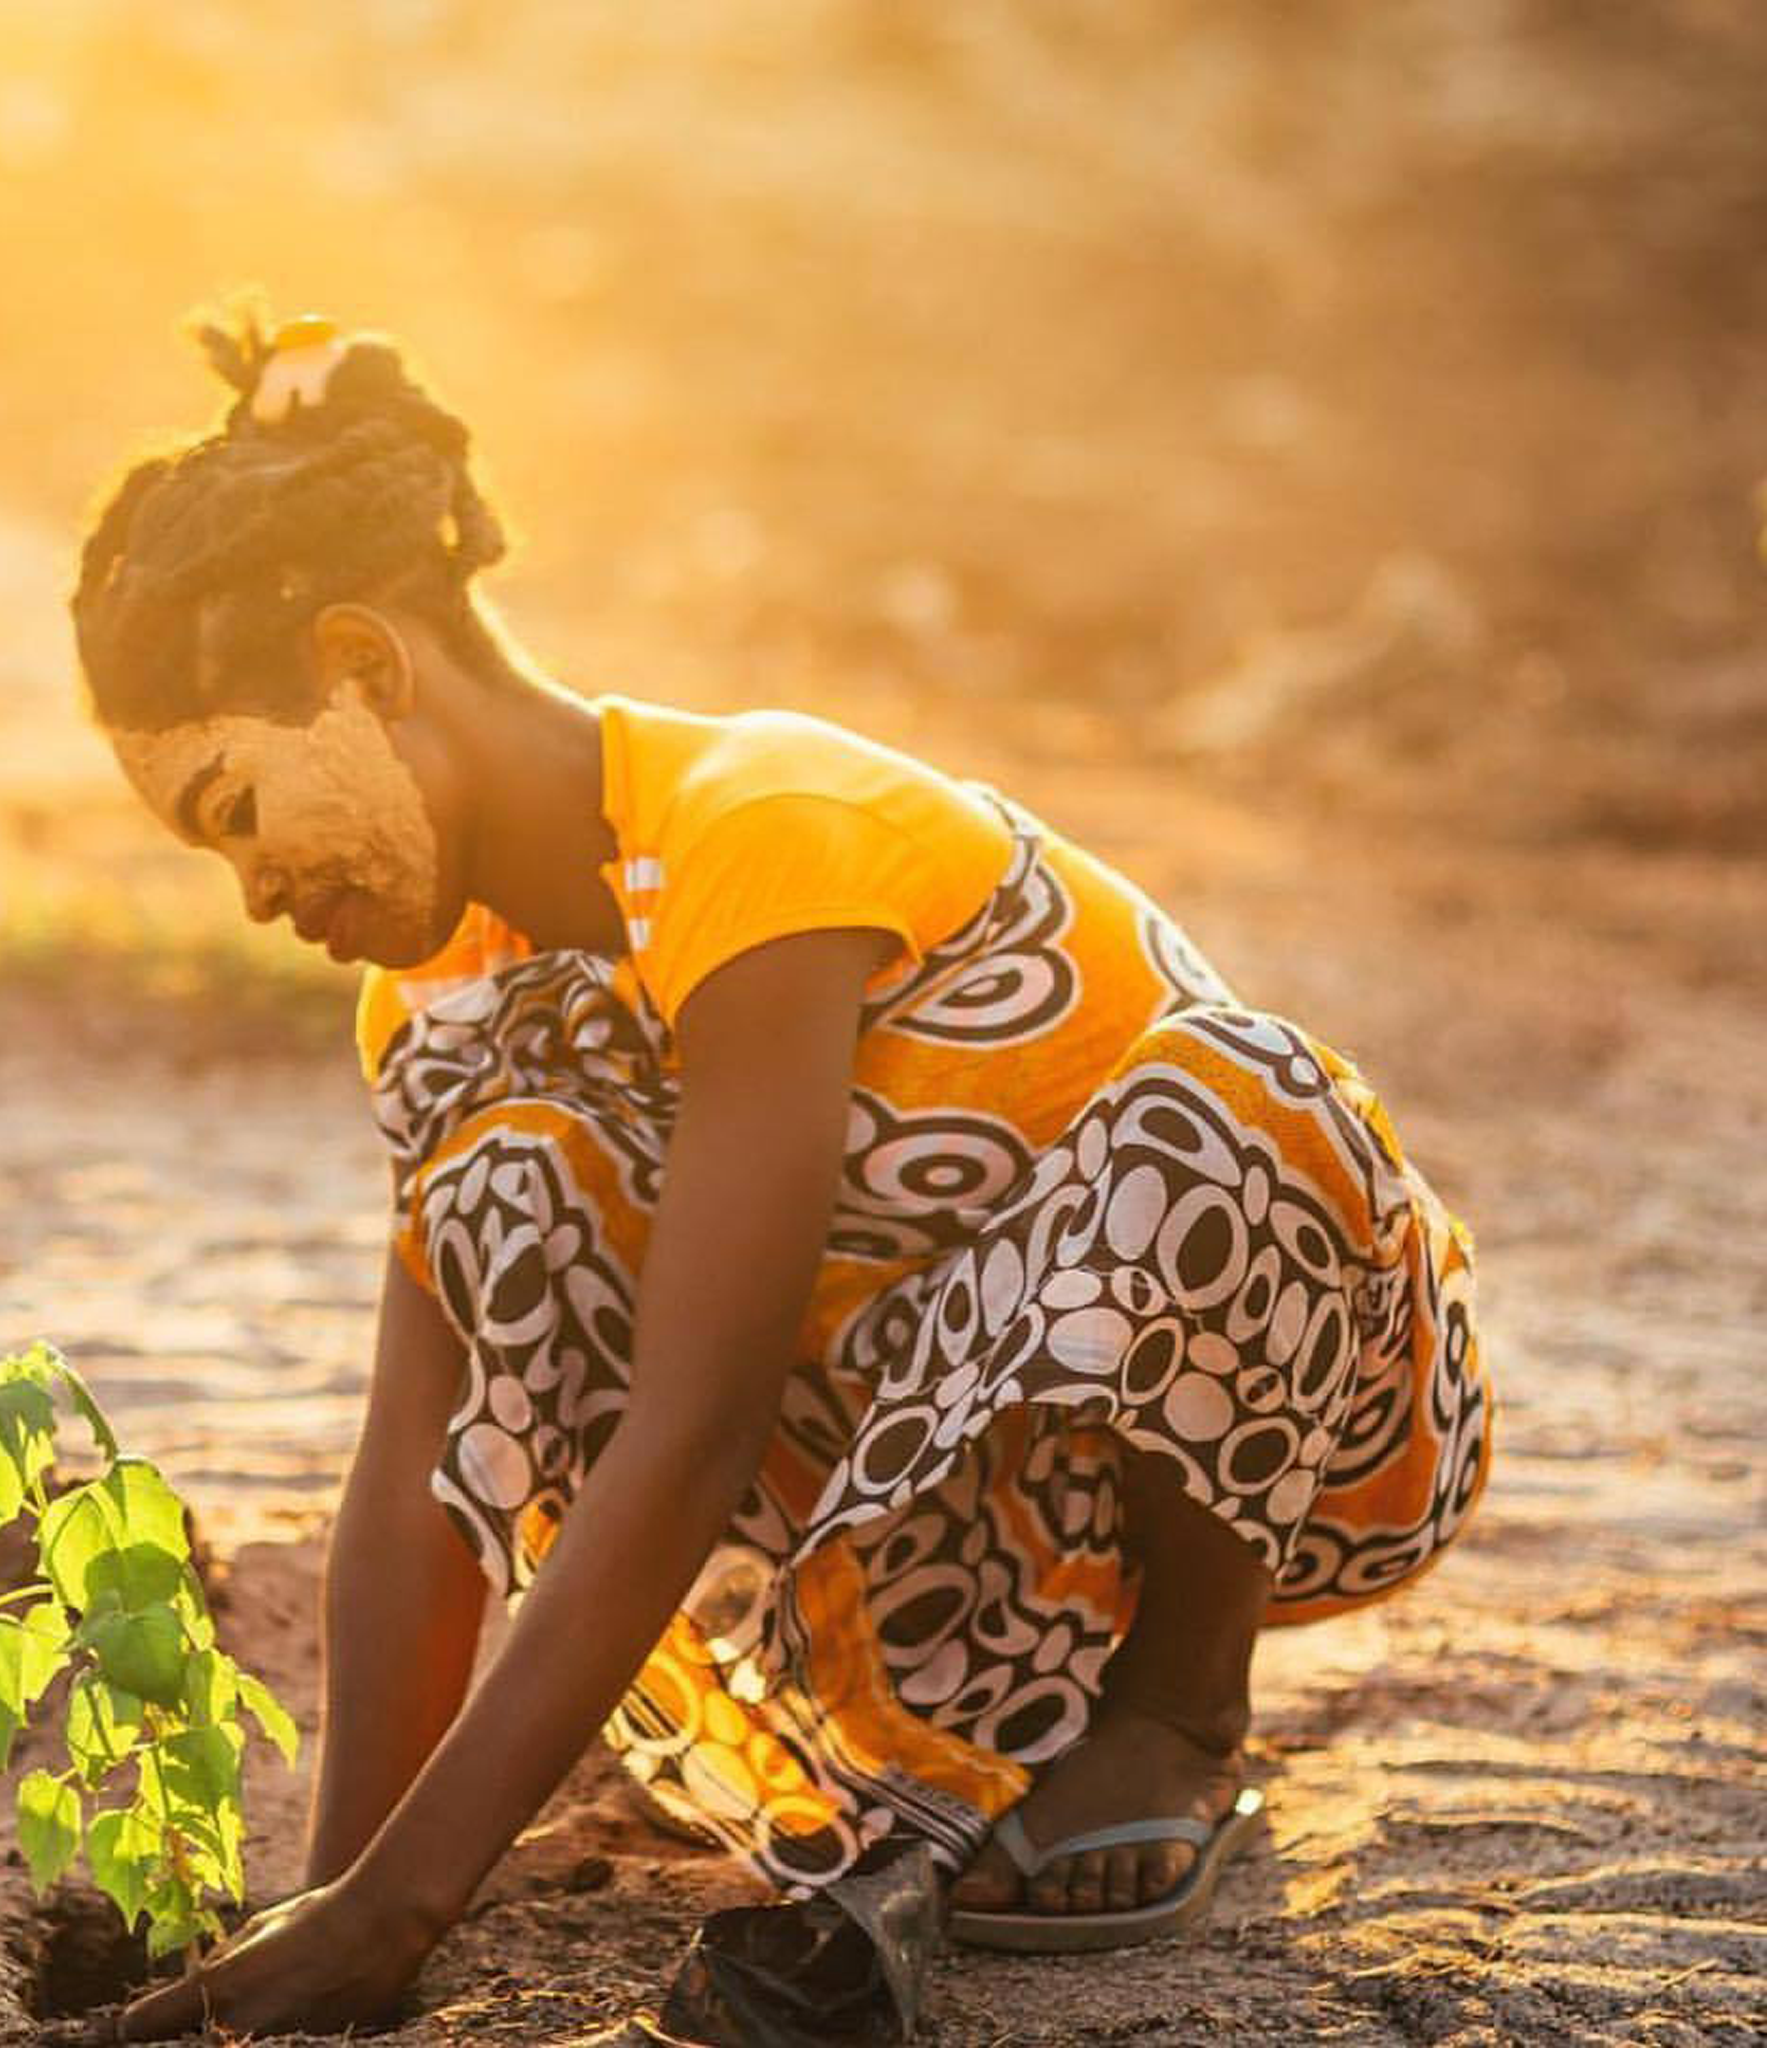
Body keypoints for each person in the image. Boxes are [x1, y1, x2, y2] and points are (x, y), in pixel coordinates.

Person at [73, 308, 1493, 2040]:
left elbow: (700, 1418)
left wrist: (407, 1912)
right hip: (927, 1493)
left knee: (1231, 1090)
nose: (251, 893)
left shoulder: (760, 829)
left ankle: (1177, 1713)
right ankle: (925, 1737)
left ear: (367, 667)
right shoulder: (441, 997)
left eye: (234, 807)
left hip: (1267, 1422)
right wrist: (333, 1903)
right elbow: (411, 1467)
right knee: (495, 1173)